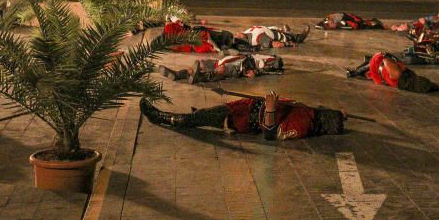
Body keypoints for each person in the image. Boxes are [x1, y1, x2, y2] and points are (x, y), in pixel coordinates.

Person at [140, 92, 346, 140]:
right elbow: (314, 107)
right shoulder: (309, 112)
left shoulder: (302, 126)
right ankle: (198, 116)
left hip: (240, 119)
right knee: (203, 115)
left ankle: (160, 117)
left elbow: (271, 133)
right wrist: (339, 114)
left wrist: (272, 108)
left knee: (197, 119)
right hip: (245, 107)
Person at [346, 52, 439, 94]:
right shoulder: (425, 86)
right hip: (387, 75)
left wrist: (385, 56)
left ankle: (355, 73)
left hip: (380, 70)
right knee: (373, 63)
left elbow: (384, 59)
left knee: (374, 60)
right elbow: (438, 85)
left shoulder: (397, 75)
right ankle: (360, 70)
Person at [158, 53, 284, 84]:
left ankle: (199, 77)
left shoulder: (269, 64)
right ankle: (177, 75)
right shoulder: (264, 57)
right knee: (200, 65)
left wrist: (254, 72)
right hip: (227, 60)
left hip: (236, 68)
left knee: (221, 69)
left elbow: (263, 71)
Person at [238, 24, 310, 49]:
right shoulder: (258, 38)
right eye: (238, 36)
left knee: (281, 31)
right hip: (279, 36)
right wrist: (288, 44)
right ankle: (300, 37)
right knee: (291, 37)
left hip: (271, 29)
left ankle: (287, 31)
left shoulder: (246, 33)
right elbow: (275, 44)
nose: (237, 34)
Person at [316, 12, 383, 30]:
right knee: (359, 24)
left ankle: (372, 21)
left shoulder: (329, 19)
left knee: (358, 21)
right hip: (344, 17)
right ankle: (372, 23)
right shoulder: (328, 21)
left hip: (345, 16)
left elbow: (346, 23)